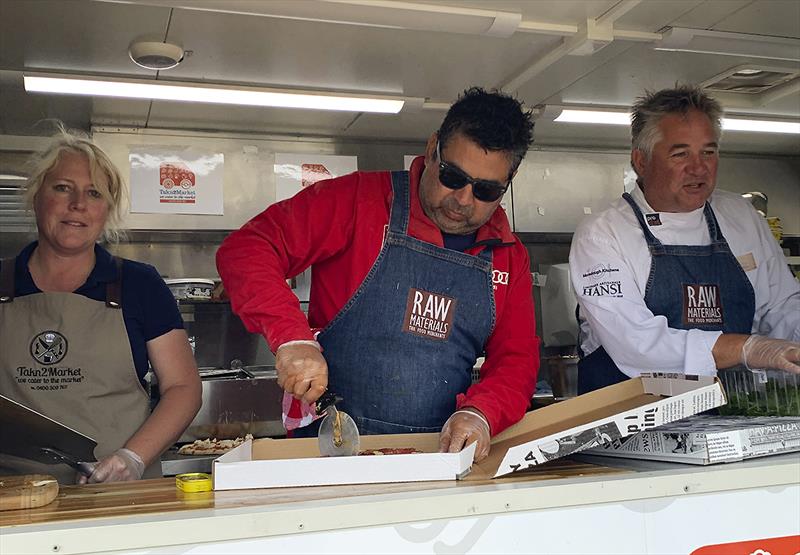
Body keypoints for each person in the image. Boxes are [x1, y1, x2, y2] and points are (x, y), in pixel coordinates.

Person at [217, 87, 539, 462]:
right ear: (433, 147)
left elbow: (515, 359)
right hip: (328, 452)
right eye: (452, 177)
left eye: (485, 190)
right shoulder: (356, 201)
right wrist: (292, 339)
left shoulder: (508, 255)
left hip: (435, 458)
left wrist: (480, 413)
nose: (464, 200)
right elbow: (248, 249)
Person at [0, 129, 202, 484]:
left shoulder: (140, 285)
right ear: (36, 196)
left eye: (94, 193)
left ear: (106, 210)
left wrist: (132, 458)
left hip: (116, 497)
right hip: (14, 496)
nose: (78, 203)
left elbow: (184, 388)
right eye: (62, 187)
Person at [569, 84, 800, 394]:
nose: (699, 168)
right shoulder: (602, 234)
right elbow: (636, 344)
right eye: (681, 154)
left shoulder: (741, 216)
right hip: (633, 426)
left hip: (734, 417)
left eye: (709, 152)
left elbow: (782, 307)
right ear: (641, 161)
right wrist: (747, 348)